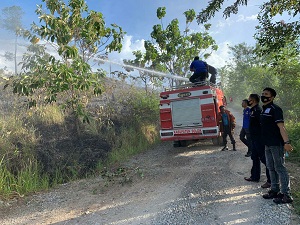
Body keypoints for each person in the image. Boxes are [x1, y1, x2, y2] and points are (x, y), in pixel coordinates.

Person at [260, 87, 293, 204]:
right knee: (270, 167)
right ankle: (274, 190)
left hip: (276, 144)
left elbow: (281, 127)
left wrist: (286, 142)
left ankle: (286, 194)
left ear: (272, 97)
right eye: (262, 93)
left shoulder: (275, 109)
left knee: (280, 167)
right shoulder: (264, 109)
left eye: (266, 94)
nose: (263, 96)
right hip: (267, 144)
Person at [244, 94, 271, 189]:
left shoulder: (258, 110)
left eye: (249, 100)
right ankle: (255, 177)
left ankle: (270, 180)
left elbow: (262, 125)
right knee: (254, 157)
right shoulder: (252, 110)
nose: (248, 101)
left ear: (253, 100)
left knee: (264, 159)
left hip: (259, 139)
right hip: (254, 139)